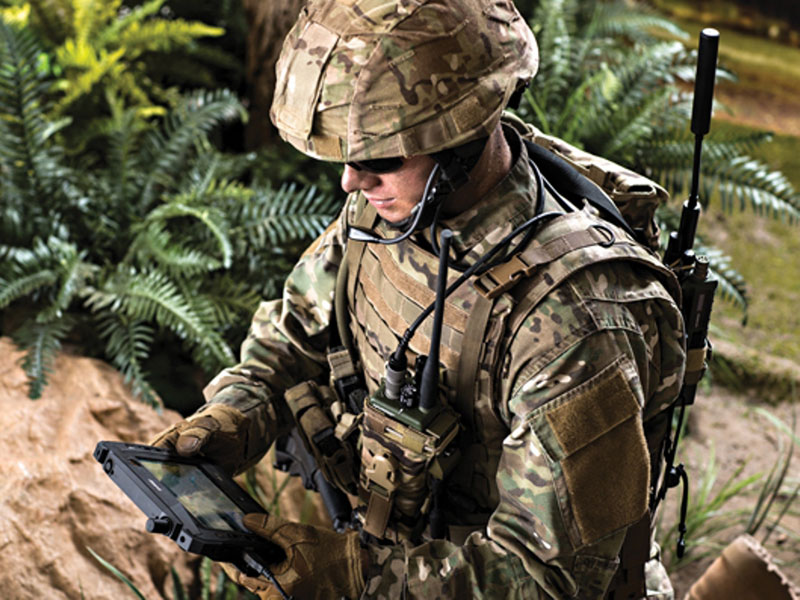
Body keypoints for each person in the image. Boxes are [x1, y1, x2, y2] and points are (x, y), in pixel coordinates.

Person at [150, 0, 687, 598]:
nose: (353, 181)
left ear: (461, 137)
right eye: (349, 157)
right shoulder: (395, 207)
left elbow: (546, 576)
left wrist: (359, 580)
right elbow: (295, 330)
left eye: (379, 158)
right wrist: (237, 414)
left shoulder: (577, 319)